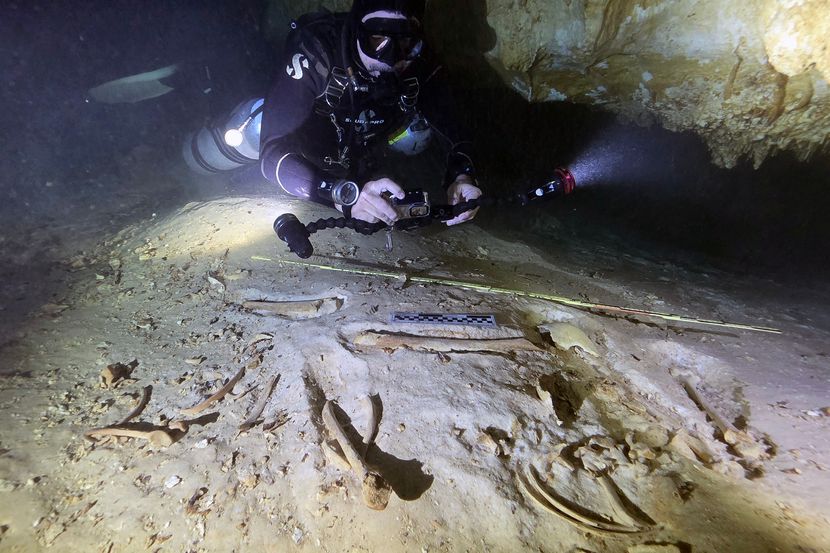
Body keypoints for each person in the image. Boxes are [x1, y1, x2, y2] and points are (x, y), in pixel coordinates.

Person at [259, 0, 482, 227]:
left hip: (372, 145)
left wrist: (462, 174)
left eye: (405, 40)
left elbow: (457, 126)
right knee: (251, 131)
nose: (390, 57)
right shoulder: (317, 55)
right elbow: (270, 154)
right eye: (376, 39)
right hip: (309, 146)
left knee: (419, 134)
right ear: (356, 30)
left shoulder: (422, 62)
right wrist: (344, 195)